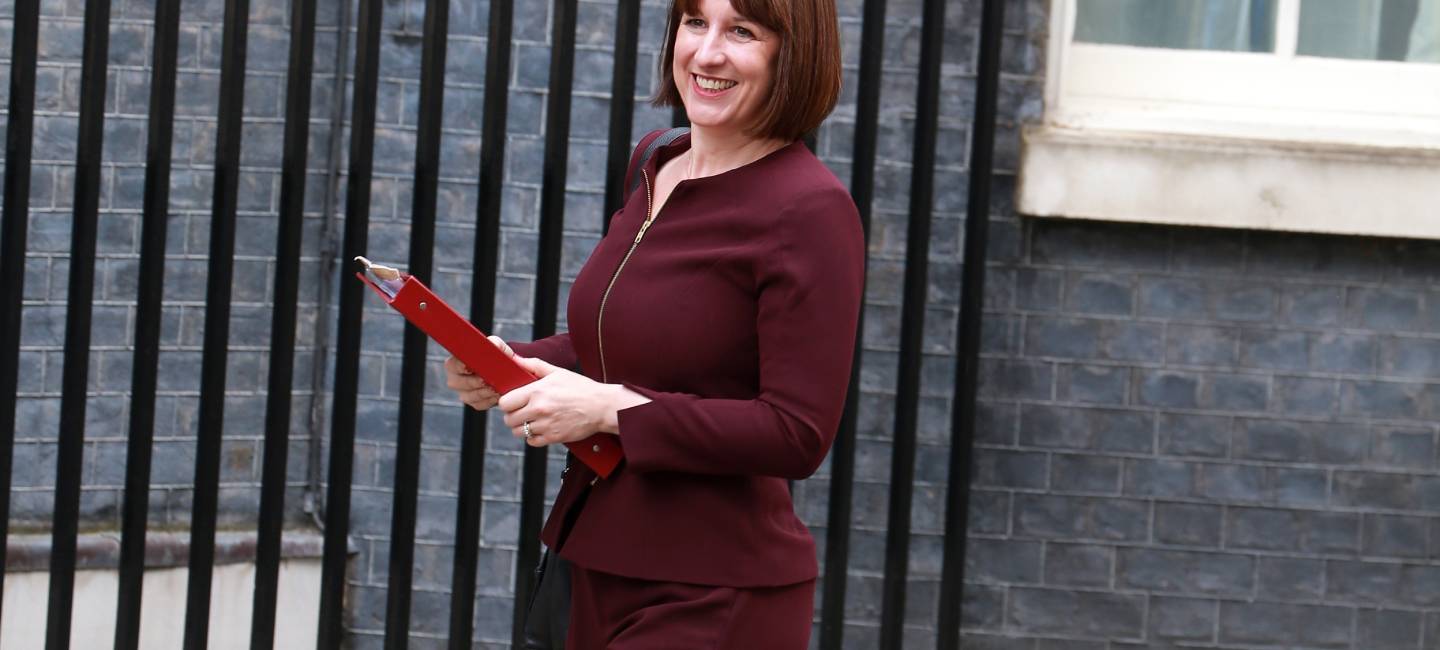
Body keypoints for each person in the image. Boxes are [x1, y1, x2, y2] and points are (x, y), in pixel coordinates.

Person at [443, 0, 861, 645]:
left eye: (742, 32)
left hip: (710, 593)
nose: (707, 52)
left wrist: (612, 410)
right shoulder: (656, 159)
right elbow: (620, 344)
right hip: (586, 562)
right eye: (696, 22)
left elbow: (796, 433)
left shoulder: (810, 210)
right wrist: (515, 364)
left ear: (794, 53)